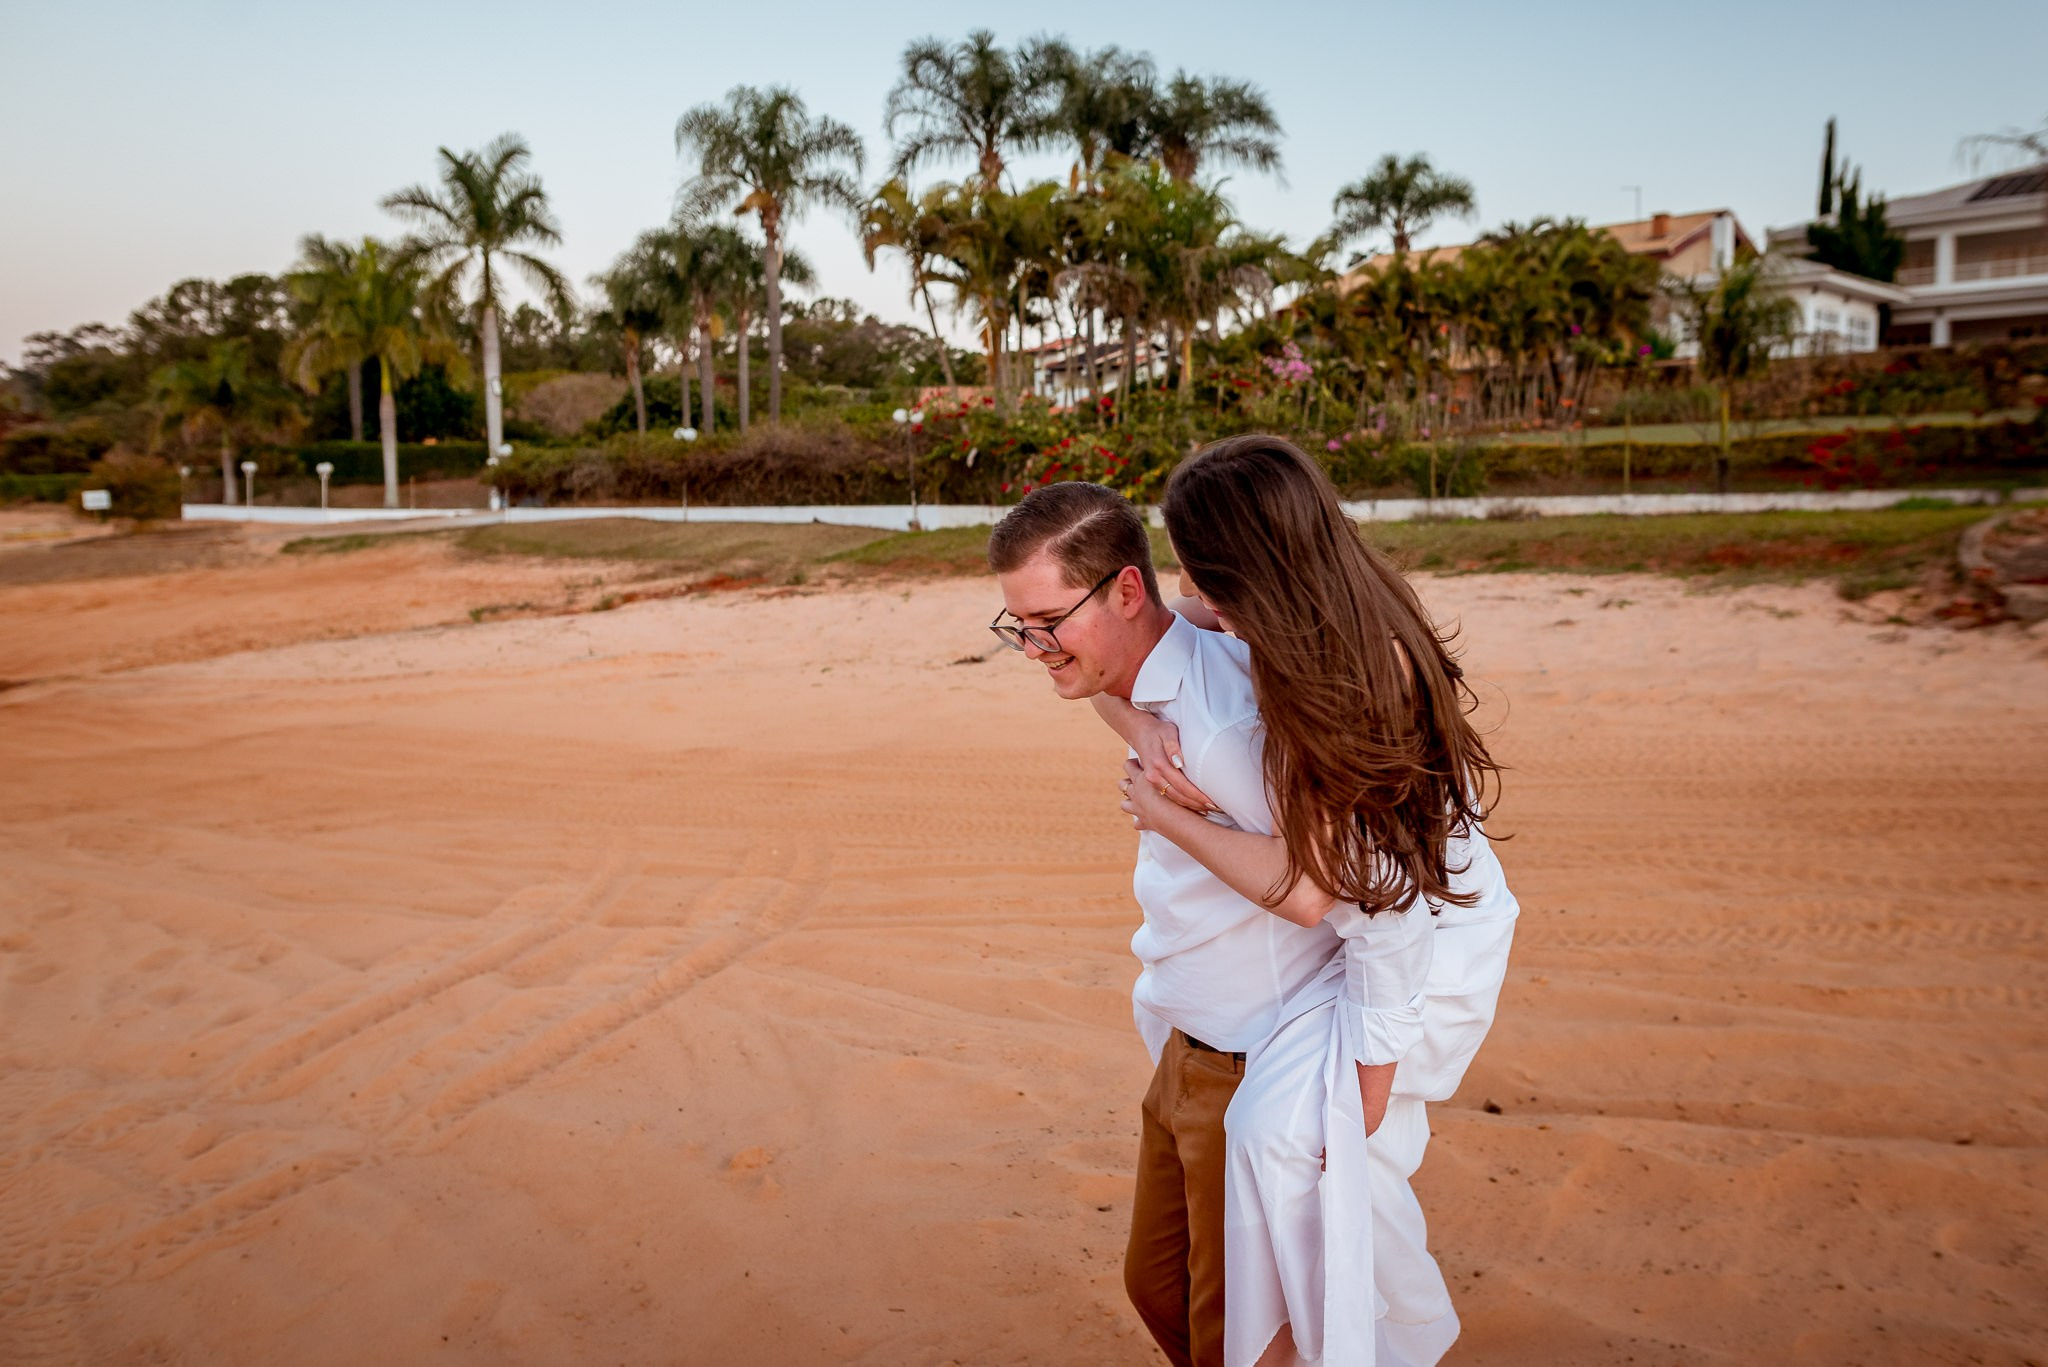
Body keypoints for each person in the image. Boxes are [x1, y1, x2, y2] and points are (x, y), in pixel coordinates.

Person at [985, 475, 1483, 1367]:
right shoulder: (1171, 655)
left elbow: (1349, 896)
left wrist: (1366, 1092)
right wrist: (1131, 723)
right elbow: (1121, 662)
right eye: (1017, 624)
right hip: (1185, 1048)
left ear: (1125, 591)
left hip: (1249, 1061)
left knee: (1239, 1337)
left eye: (1047, 621)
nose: (1032, 645)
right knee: (1158, 1286)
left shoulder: (1233, 735)